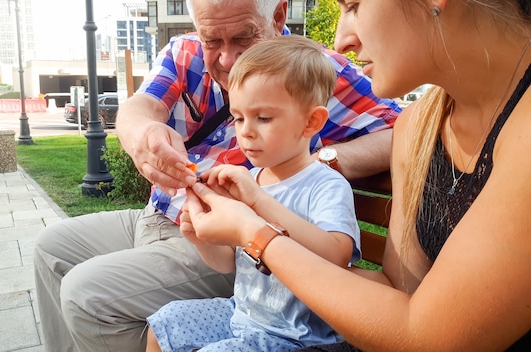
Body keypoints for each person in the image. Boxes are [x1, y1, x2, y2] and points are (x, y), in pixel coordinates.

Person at [33, 0, 400, 351]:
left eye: (243, 36)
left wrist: (324, 161)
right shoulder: (186, 55)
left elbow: (409, 129)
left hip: (283, 313)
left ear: (278, 16)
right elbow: (140, 107)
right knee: (50, 247)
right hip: (187, 232)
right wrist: (144, 135)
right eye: (212, 40)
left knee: (87, 295)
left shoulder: (310, 70)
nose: (226, 58)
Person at [181, 0, 531, 351]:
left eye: (353, 5)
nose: (340, 41)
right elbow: (398, 291)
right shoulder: (417, 128)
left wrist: (254, 231)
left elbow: (425, 338)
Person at [145, 35, 360, 352]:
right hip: (244, 314)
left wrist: (259, 203)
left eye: (263, 118)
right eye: (239, 116)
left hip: (300, 335)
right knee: (165, 323)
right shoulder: (253, 178)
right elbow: (229, 263)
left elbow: (336, 256)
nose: (245, 131)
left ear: (311, 122)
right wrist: (200, 236)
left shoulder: (324, 184)